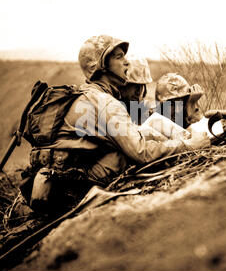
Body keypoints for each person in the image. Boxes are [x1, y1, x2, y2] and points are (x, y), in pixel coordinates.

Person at [28, 35, 210, 214]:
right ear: (100, 66)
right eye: (118, 57)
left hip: (65, 182)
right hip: (75, 191)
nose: (126, 63)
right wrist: (188, 146)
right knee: (127, 155)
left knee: (142, 135)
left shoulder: (87, 94)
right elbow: (141, 152)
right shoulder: (105, 102)